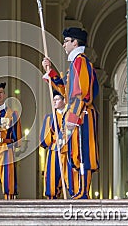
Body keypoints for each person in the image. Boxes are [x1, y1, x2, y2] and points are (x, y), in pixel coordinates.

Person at [42, 27, 99, 199]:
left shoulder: (80, 61)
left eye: (66, 41)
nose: (64, 44)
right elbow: (65, 91)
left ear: (75, 42)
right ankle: (77, 190)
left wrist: (71, 119)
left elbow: (80, 94)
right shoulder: (75, 64)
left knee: (82, 154)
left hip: (80, 115)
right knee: (75, 154)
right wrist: (50, 72)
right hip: (76, 115)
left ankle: (82, 191)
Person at [40, 90, 75, 199]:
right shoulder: (50, 118)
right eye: (53, 99)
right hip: (55, 150)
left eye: (57, 99)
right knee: (52, 177)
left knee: (71, 176)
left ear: (64, 100)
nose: (54, 101)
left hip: (69, 149)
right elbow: (45, 138)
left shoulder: (72, 115)